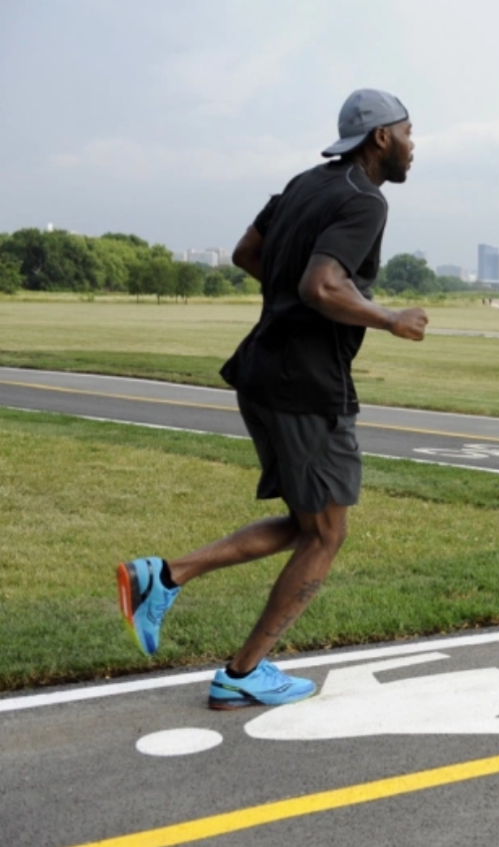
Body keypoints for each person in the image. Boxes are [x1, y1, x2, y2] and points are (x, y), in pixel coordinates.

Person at [115, 88, 428, 710]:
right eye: (409, 133)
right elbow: (322, 284)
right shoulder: (365, 200)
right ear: (380, 139)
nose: (415, 147)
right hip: (306, 387)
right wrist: (388, 318)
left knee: (309, 523)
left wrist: (294, 298)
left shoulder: (305, 183)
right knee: (327, 534)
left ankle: (165, 576)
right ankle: (242, 672)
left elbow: (246, 254)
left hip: (262, 370)